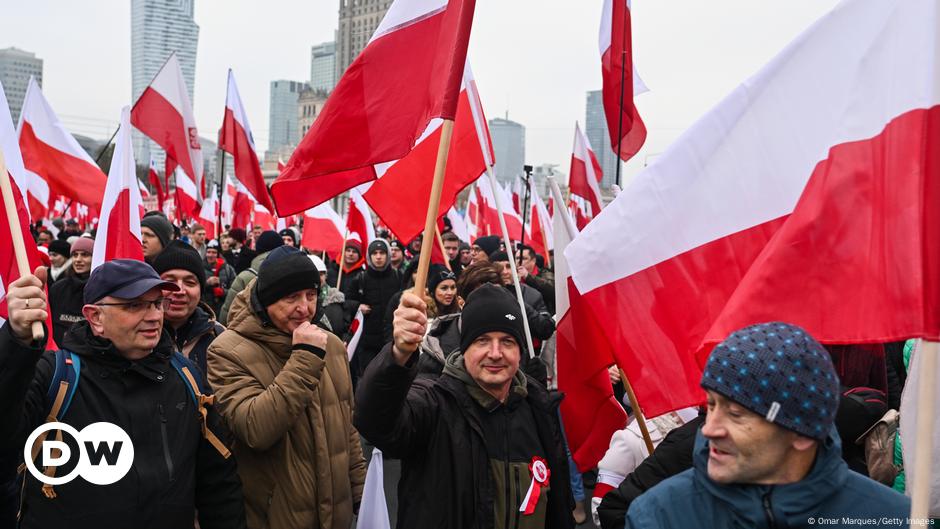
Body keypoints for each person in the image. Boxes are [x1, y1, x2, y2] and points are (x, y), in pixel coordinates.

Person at [1, 259, 246, 528]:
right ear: (95, 317)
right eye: (134, 305)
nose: (153, 315)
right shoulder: (57, 376)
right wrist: (15, 343)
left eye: (155, 303)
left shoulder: (187, 377)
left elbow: (218, 482)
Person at [624, 322, 910, 528]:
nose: (709, 429)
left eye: (736, 414)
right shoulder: (659, 515)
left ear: (802, 432)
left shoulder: (894, 518)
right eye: (711, 405)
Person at [355, 284, 575, 528]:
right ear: (464, 348)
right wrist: (397, 356)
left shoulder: (539, 409)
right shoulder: (434, 404)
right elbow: (374, 422)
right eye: (482, 340)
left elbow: (558, 506)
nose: (495, 353)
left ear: (520, 351)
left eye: (507, 341)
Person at [207, 246, 366, 529]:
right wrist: (304, 358)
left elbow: (346, 429)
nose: (304, 308)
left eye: (311, 295)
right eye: (291, 297)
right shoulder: (227, 351)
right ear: (266, 300)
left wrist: (361, 494)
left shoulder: (330, 345)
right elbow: (256, 429)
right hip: (277, 518)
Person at [153, 241, 225, 378]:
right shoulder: (137, 335)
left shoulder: (220, 337)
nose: (180, 290)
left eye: (190, 283)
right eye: (170, 282)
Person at [348, 239, 401, 383]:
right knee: (369, 380)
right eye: (375, 253)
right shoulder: (360, 279)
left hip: (393, 339)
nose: (378, 257)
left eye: (382, 253)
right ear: (369, 256)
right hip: (367, 343)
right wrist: (357, 306)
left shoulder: (397, 276)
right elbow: (347, 303)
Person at [489, 251, 556, 349]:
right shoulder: (482, 294)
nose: (505, 272)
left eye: (508, 266)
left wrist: (517, 302)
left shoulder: (532, 294)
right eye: (499, 268)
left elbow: (545, 330)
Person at [219, 231, 284, 324]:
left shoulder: (245, 277)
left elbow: (226, 314)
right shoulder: (292, 273)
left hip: (246, 333)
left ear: (259, 249)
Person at [415, 264, 461, 377]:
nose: (450, 293)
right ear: (433, 290)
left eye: (453, 287)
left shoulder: (460, 313)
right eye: (444, 288)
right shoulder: (420, 313)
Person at [48, 236, 94, 344]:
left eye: (85, 255)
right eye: (75, 255)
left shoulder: (100, 289)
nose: (78, 260)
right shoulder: (58, 288)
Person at [203, 239, 237, 316]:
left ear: (218, 254)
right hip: (206, 310)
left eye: (214, 252)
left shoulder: (228, 269)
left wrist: (222, 292)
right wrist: (207, 283)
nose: (211, 255)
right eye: (208, 252)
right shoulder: (200, 268)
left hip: (223, 310)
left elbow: (234, 291)